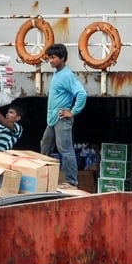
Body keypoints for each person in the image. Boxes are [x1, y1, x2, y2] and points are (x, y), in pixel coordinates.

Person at [39, 43, 86, 187]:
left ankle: (71, 181)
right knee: (45, 145)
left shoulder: (67, 75)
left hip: (61, 117)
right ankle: (41, 176)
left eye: (53, 58)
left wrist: (72, 111)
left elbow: (81, 93)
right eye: (49, 58)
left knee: (65, 150)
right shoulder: (57, 73)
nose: (50, 61)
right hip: (53, 118)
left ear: (62, 58)